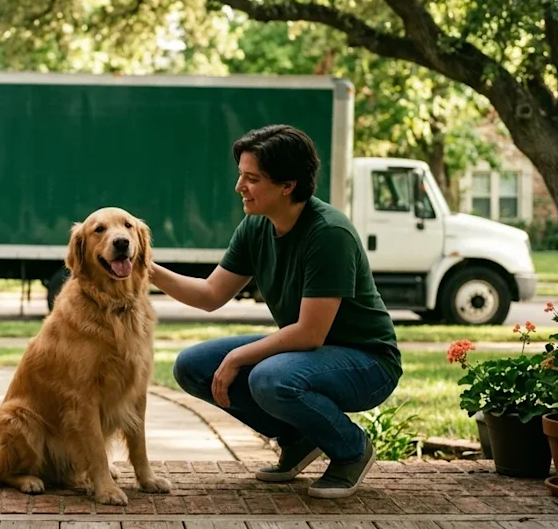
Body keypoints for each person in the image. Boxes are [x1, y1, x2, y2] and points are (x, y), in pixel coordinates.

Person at [151, 124, 402, 499]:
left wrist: (237, 357)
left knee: (269, 378)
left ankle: (351, 449)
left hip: (367, 361)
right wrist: (146, 268)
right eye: (241, 176)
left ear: (288, 185)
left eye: (252, 179)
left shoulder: (328, 234)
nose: (240, 187)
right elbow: (209, 294)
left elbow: (309, 333)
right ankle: (298, 439)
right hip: (308, 354)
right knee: (192, 365)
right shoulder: (256, 227)